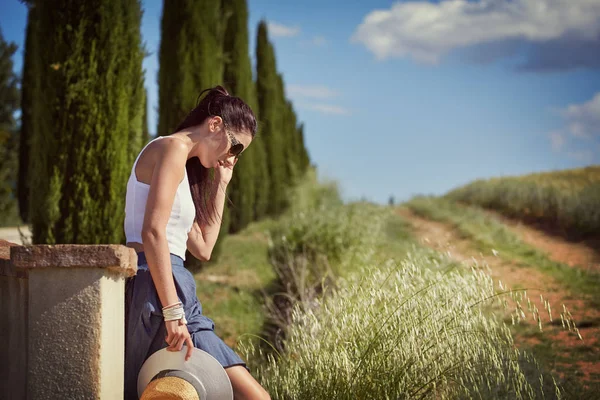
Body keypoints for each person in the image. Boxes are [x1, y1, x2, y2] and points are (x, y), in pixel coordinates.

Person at [123, 86, 271, 400]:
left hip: (172, 285)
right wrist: (172, 312)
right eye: (235, 147)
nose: (232, 157)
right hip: (156, 283)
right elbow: (152, 232)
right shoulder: (172, 148)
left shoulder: (178, 165)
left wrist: (221, 183)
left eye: (238, 154)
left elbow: (203, 249)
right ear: (215, 124)